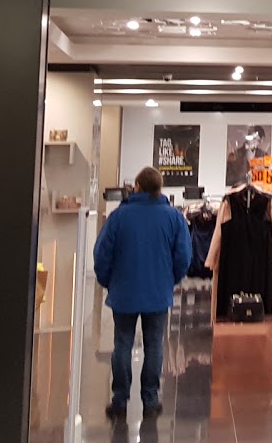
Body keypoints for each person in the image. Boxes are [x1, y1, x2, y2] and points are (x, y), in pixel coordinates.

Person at [94, 166, 192, 422]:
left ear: (137, 187)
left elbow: (102, 254)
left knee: (122, 344)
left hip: (124, 291)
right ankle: (150, 400)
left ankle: (119, 400)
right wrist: (170, 279)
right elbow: (184, 256)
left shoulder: (118, 216)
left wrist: (108, 281)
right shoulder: (173, 217)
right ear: (160, 188)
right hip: (158, 292)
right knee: (154, 344)